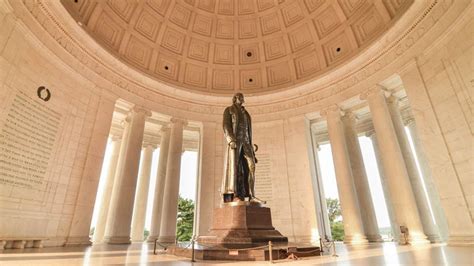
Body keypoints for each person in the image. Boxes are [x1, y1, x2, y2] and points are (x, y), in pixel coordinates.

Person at [222, 93, 262, 203]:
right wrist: (231, 139)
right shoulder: (229, 110)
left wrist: (253, 151)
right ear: (234, 99)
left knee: (251, 166)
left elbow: (249, 132)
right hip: (236, 141)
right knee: (235, 167)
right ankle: (234, 193)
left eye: (242, 97)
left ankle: (251, 195)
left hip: (247, 143)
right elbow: (226, 125)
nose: (240, 98)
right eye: (238, 97)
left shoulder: (247, 114)